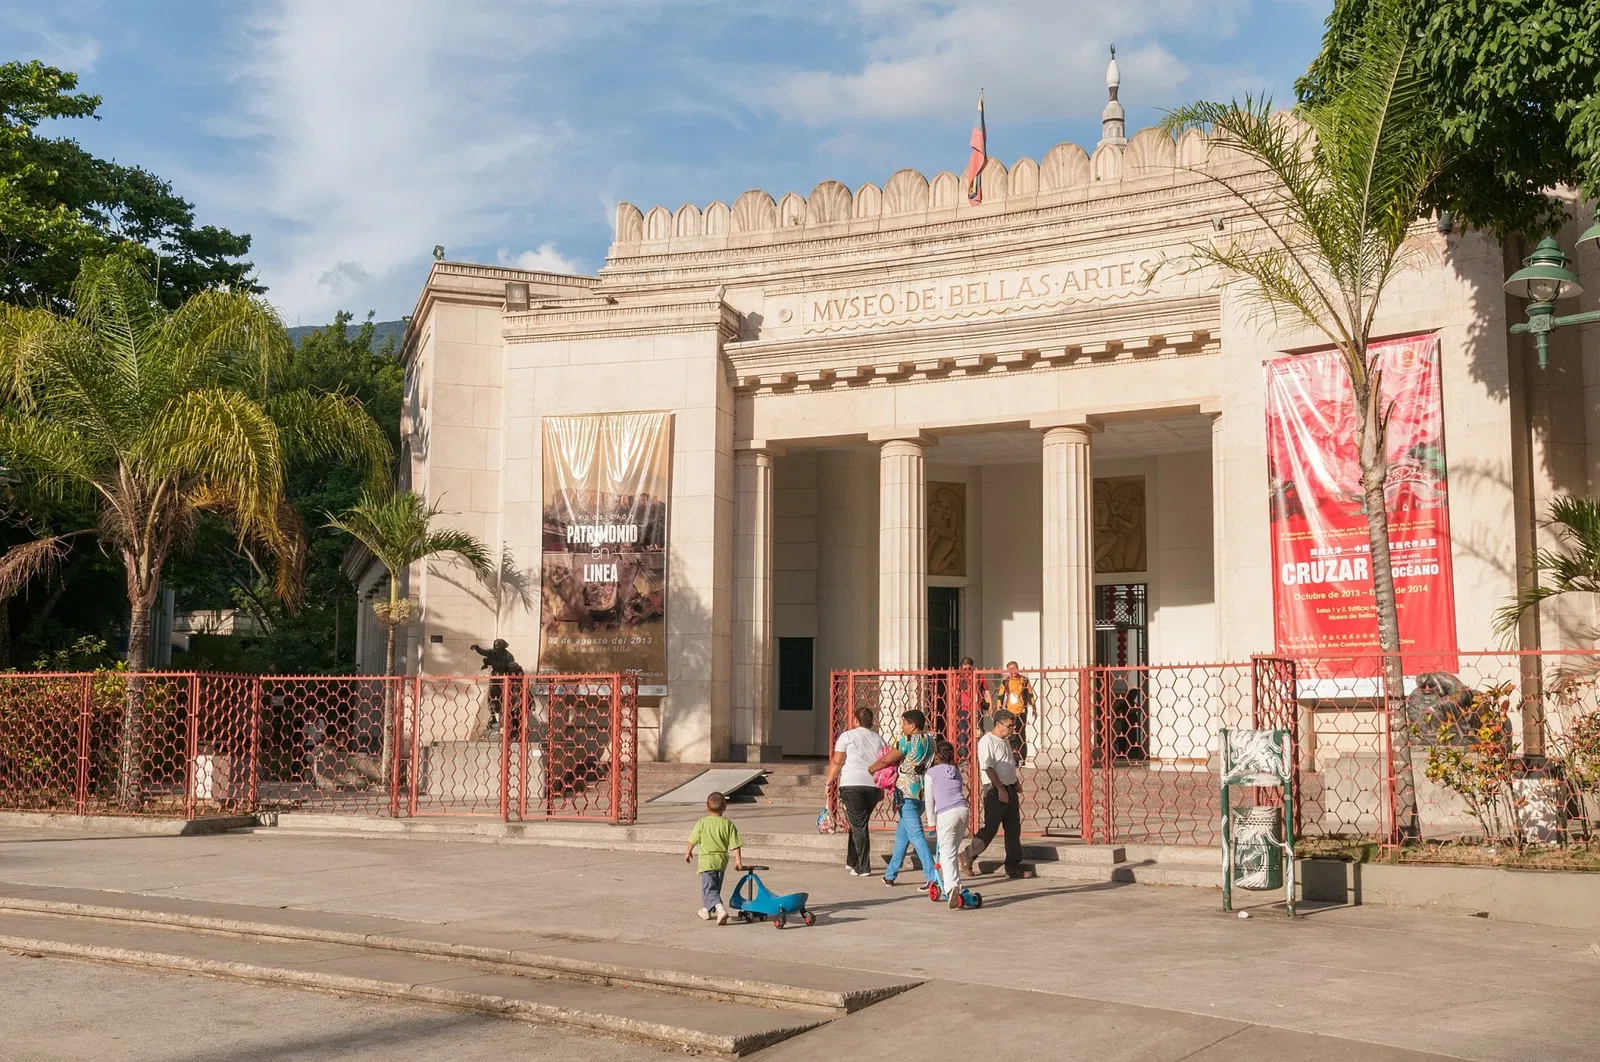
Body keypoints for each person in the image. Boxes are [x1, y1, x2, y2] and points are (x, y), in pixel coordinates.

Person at [960, 711, 1035, 880]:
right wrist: (999, 788)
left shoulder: (1005, 741)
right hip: (995, 790)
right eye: (1009, 726)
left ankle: (1013, 865)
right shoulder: (987, 741)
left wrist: (1014, 781)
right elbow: (988, 767)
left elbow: (1007, 762)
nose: (1012, 730)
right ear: (998, 724)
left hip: (1009, 789)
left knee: (1013, 829)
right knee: (991, 828)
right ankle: (968, 855)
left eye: (1013, 726)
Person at [871, 709, 938, 888]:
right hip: (923, 791)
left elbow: (887, 760)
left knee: (916, 836)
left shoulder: (905, 741)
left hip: (905, 792)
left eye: (904, 723)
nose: (903, 727)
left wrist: (871, 769)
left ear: (912, 725)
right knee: (902, 836)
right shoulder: (931, 741)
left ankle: (933, 877)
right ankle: (890, 874)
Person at [825, 705, 888, 876]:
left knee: (859, 825)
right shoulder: (879, 739)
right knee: (858, 823)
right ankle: (851, 861)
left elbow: (837, 762)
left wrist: (828, 782)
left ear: (855, 720)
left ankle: (863, 866)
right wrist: (881, 788)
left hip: (852, 784)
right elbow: (883, 763)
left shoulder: (847, 736)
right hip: (872, 785)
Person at [685, 791, 744, 924]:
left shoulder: (702, 823)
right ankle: (706, 910)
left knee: (709, 888)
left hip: (707, 861)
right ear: (725, 807)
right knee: (715, 887)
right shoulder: (728, 824)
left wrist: (688, 851)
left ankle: (720, 909)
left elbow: (692, 839)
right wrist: (738, 860)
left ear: (707, 807)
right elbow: (735, 844)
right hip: (721, 861)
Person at [925, 739, 969, 907]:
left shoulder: (931, 773)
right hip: (963, 811)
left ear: (936, 756)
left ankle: (951, 888)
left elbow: (929, 799)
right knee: (952, 850)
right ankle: (955, 883)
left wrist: (931, 822)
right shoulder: (956, 772)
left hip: (947, 813)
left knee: (946, 854)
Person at [996, 661, 1035, 764]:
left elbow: (1030, 694)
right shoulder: (1005, 682)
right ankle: (1012, 758)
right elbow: (1000, 695)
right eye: (1010, 669)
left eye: (1014, 668)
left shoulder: (1024, 680)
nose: (1013, 671)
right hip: (1010, 712)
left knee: (1021, 734)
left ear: (1017, 668)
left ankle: (1022, 757)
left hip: (1022, 711)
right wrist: (999, 707)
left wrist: (1034, 707)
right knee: (1010, 734)